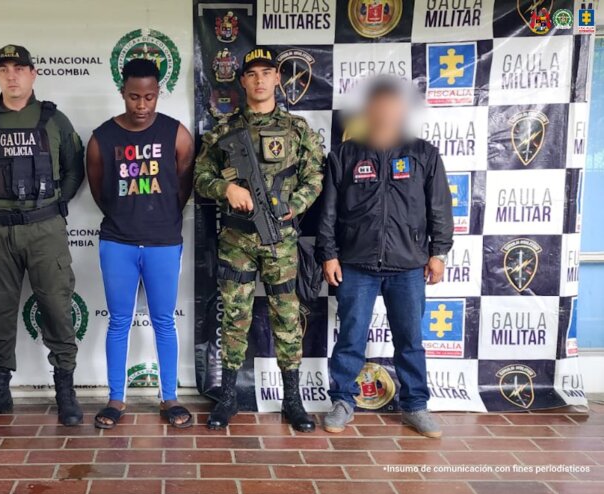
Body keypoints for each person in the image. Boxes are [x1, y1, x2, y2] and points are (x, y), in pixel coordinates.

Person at [194, 47, 325, 432]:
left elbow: (315, 177)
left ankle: (293, 400)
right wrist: (226, 188)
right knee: (235, 317)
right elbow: (200, 177)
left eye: (267, 72)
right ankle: (228, 396)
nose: (260, 80)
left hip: (280, 239)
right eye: (252, 74)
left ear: (277, 79)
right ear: (242, 81)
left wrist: (293, 205)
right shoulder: (223, 130)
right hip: (237, 239)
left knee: (287, 317)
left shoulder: (297, 129)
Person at [316, 76, 453, 438]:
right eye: (378, 106)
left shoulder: (423, 154)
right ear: (369, 110)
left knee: (410, 340)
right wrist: (329, 254)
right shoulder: (345, 155)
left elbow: (439, 206)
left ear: (403, 110)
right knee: (350, 338)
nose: (385, 112)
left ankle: (416, 405)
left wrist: (438, 252)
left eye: (392, 106)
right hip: (356, 264)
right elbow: (327, 212)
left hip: (408, 266)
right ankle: (342, 402)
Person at [0, 44, 85, 426]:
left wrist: (55, 205)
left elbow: (74, 168)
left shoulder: (54, 119)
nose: (11, 76)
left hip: (45, 229)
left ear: (33, 74)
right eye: (4, 69)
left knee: (57, 309)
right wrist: (1, 201)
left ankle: (65, 391)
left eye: (19, 68)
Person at [85, 59, 196, 429]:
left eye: (149, 97)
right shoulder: (102, 138)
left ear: (158, 93)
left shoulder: (176, 134)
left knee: (164, 321)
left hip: (164, 241)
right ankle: (116, 399)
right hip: (118, 241)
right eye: (134, 97)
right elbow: (99, 189)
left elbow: (184, 183)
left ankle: (170, 398)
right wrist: (126, 215)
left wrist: (162, 217)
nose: (142, 105)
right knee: (119, 321)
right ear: (122, 92)